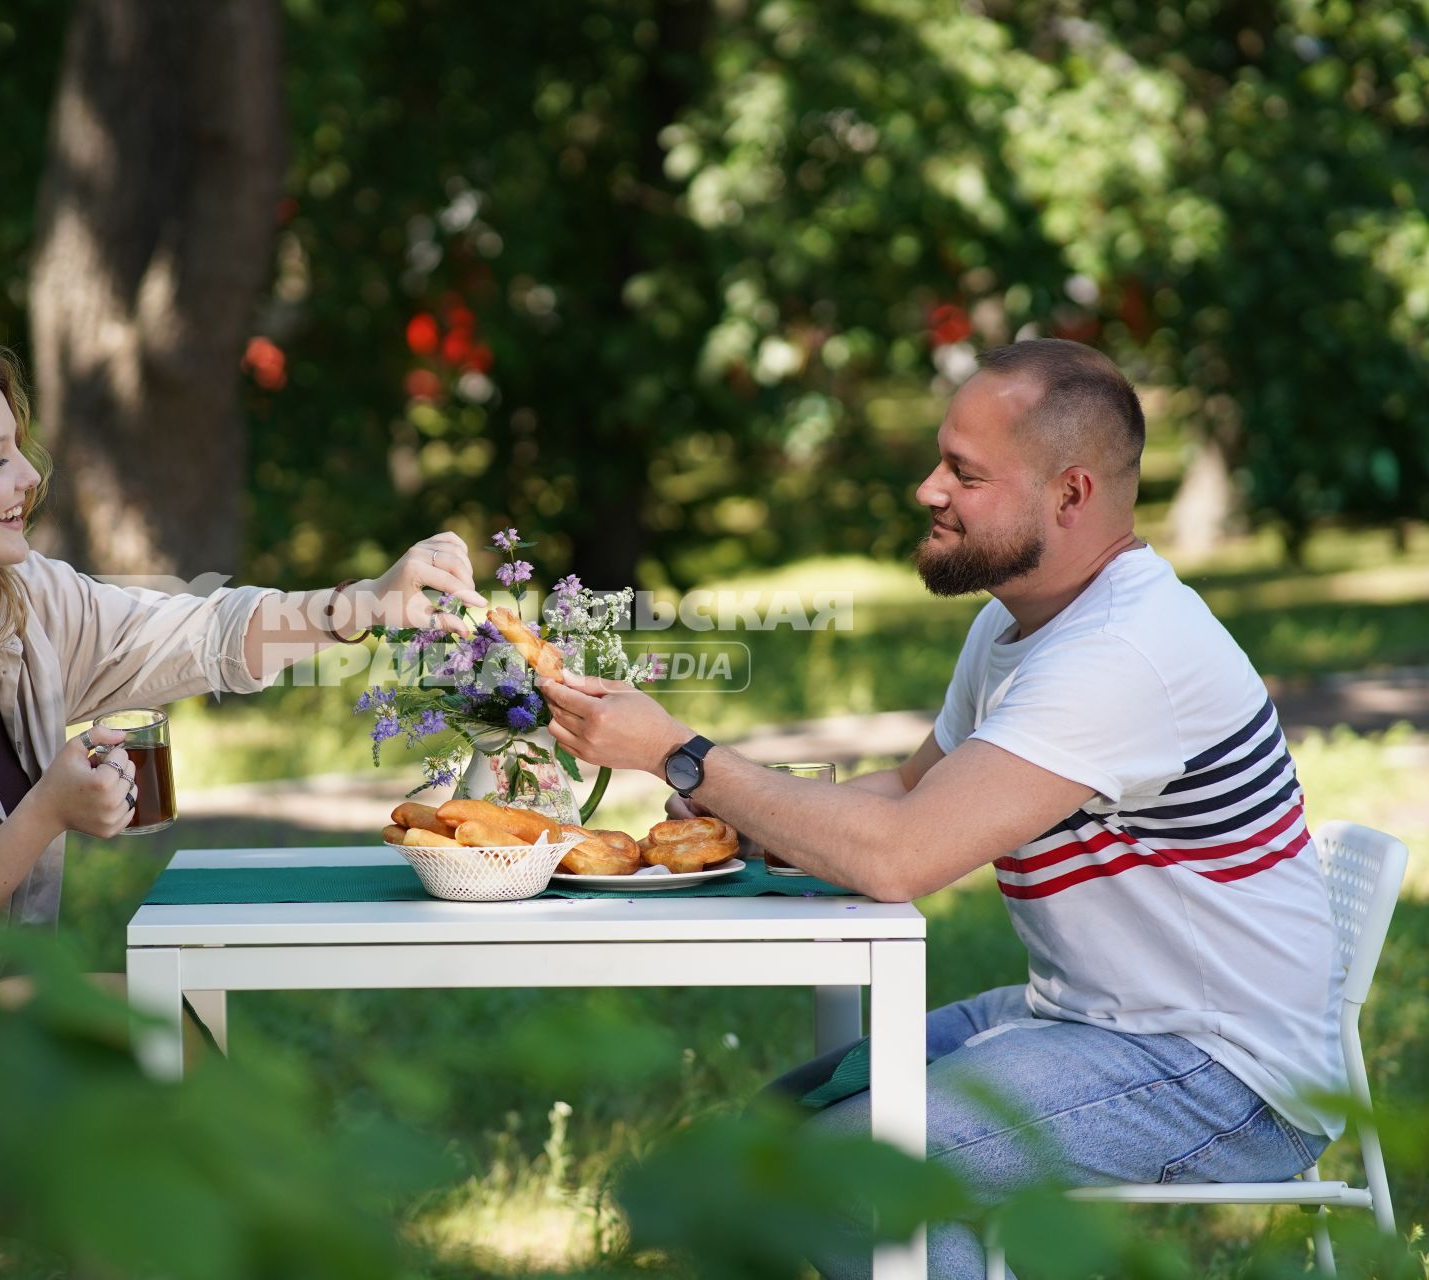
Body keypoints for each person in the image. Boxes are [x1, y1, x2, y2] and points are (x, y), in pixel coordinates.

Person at [540, 339, 1345, 1277]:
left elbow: (900, 856)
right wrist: (721, 812)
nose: (928, 489)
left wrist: (680, 756)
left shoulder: (1122, 652)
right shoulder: (1019, 622)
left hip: (1223, 1075)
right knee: (764, 1137)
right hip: (1090, 1020)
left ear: (1071, 495)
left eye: (964, 473)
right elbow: (907, 796)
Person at [0, 335, 487, 1214]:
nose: (28, 479)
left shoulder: (14, 604)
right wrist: (44, 815)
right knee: (161, 1067)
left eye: (20, 451)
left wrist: (360, 607)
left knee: (176, 1043)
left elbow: (190, 635)